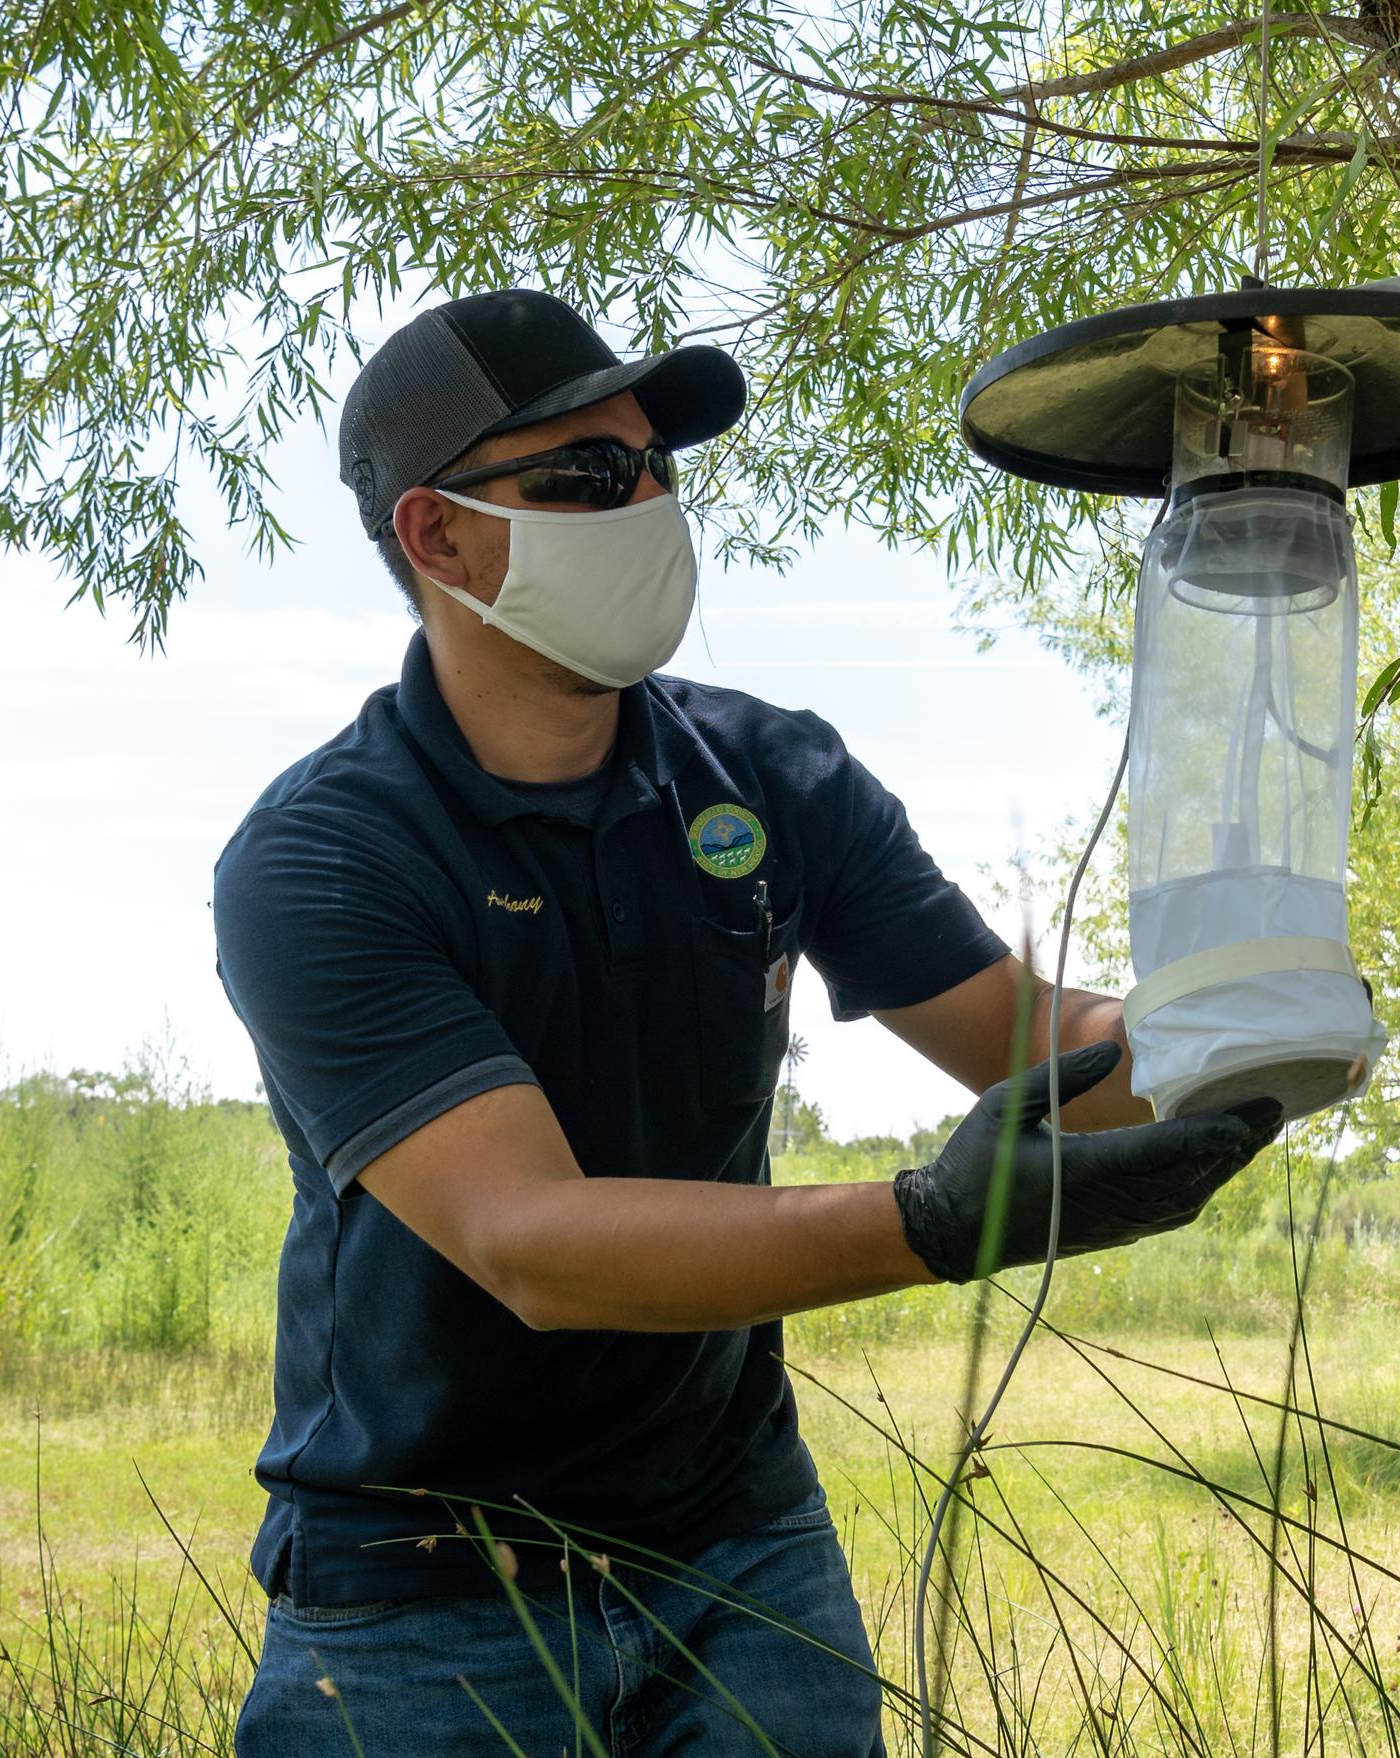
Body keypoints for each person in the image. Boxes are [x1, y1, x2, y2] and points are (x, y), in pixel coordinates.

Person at [216, 289, 1284, 1756]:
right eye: (588, 478)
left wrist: (1241, 1022)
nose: (647, 504)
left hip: (740, 1553)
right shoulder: (324, 858)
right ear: (438, 535)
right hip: (422, 1592)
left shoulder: (768, 776)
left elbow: (1019, 1036)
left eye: (656, 466)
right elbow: (529, 1240)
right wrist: (929, 1221)